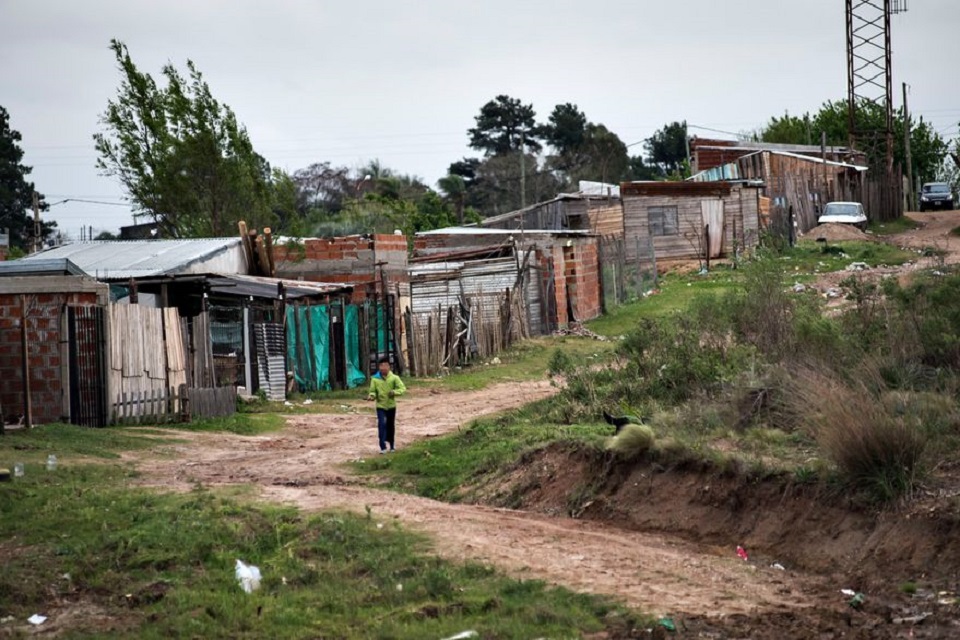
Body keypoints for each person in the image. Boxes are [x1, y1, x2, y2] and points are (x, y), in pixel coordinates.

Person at [367, 356, 406, 453]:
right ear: (379, 367)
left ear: (389, 367)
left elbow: (402, 389)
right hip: (380, 406)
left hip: (391, 406)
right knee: (382, 424)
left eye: (385, 365)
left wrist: (394, 392)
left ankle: (392, 445)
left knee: (390, 425)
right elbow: (372, 391)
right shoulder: (375, 379)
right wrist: (372, 396)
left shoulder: (394, 378)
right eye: (381, 365)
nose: (383, 368)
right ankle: (382, 446)